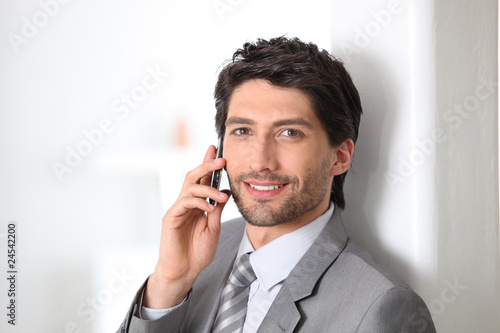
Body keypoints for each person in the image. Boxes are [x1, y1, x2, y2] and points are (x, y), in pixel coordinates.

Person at [117, 36, 436, 333]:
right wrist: (169, 283)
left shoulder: (384, 307)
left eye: (289, 133)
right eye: (243, 131)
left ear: (340, 156)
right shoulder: (195, 254)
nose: (259, 162)